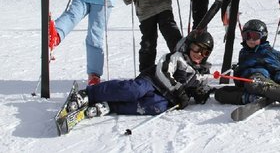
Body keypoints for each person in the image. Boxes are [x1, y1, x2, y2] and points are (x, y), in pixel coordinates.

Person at [65, 30, 215, 117]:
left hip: (164, 97)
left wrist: (199, 95)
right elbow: (163, 71)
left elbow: (196, 90)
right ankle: (88, 94)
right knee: (133, 90)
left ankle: (111, 106)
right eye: (196, 48)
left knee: (156, 106)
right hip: (152, 82)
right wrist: (178, 89)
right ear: (189, 45)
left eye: (204, 52)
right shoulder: (177, 57)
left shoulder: (199, 74)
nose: (199, 54)